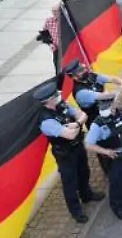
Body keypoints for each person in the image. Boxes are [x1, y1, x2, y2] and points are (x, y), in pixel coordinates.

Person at [35, 82, 103, 223]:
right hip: (65, 153)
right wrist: (77, 125)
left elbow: (82, 115)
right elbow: (69, 135)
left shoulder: (62, 105)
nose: (59, 95)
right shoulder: (46, 120)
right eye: (55, 95)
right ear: (48, 100)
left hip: (77, 146)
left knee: (84, 171)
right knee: (70, 182)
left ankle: (87, 195)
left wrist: (76, 124)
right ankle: (76, 210)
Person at [64, 58, 122, 125]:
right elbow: (106, 96)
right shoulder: (80, 93)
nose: (85, 70)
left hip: (109, 112)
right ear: (74, 77)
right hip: (98, 123)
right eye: (81, 70)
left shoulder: (91, 76)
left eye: (83, 67)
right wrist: (121, 90)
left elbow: (112, 79)